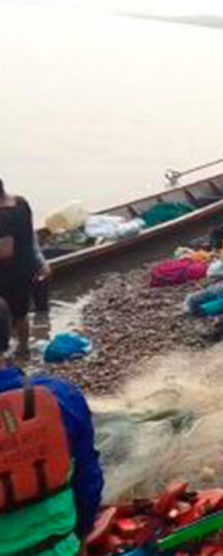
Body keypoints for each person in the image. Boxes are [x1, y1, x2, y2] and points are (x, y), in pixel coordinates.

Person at [0, 297, 104, 555]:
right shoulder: (60, 396)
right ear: (9, 334)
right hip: (61, 547)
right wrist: (80, 537)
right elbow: (88, 482)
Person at [0, 179, 50, 358]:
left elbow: (5, 250)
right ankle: (23, 347)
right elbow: (31, 236)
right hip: (28, 265)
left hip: (8, 273)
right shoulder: (21, 202)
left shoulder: (2, 216)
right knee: (21, 312)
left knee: (10, 311)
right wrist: (41, 261)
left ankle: (7, 349)